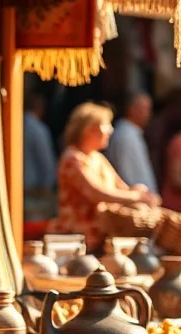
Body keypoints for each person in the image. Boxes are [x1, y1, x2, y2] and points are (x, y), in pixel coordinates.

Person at [56, 102, 160, 252]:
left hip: (104, 237)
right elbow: (96, 193)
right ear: (88, 129)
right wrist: (136, 197)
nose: (110, 130)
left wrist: (140, 193)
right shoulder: (72, 159)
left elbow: (122, 188)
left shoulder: (97, 158)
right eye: (106, 125)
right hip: (81, 239)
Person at [105, 92, 158, 193]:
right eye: (145, 109)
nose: (149, 114)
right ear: (132, 109)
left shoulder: (132, 133)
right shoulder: (126, 135)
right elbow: (128, 173)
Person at [23, 93, 57, 223]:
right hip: (34, 195)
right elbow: (47, 165)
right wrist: (46, 191)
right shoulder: (37, 129)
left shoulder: (13, 123)